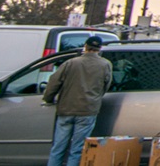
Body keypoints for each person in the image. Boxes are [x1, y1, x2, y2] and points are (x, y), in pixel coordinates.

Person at [43, 36, 113, 166]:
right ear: (99, 49)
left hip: (66, 109)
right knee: (77, 149)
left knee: (58, 147)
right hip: (88, 110)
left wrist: (48, 98)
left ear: (85, 47)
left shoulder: (71, 63)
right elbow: (106, 86)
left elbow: (54, 82)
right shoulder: (105, 65)